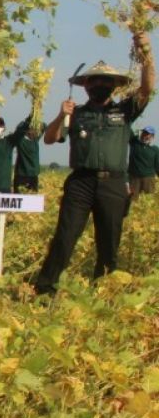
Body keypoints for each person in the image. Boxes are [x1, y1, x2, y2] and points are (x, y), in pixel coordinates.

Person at [33, 30, 155, 295]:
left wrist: (146, 53)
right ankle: (44, 289)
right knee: (65, 236)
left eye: (105, 81)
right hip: (81, 182)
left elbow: (147, 88)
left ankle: (103, 292)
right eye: (94, 81)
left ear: (114, 86)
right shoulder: (76, 113)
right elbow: (50, 139)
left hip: (113, 183)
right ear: (85, 86)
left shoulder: (124, 110)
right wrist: (60, 115)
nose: (99, 84)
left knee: (109, 241)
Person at [12, 116, 44, 193]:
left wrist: (35, 116)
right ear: (28, 131)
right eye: (33, 129)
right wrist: (28, 122)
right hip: (21, 175)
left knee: (32, 198)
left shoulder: (35, 140)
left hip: (33, 176)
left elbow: (44, 126)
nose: (36, 131)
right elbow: (19, 131)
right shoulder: (21, 141)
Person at [129, 126, 158, 199]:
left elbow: (157, 165)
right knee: (132, 200)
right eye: (144, 133)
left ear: (152, 136)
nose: (144, 135)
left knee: (149, 200)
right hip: (134, 178)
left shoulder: (155, 149)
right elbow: (128, 131)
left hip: (148, 179)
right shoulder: (134, 143)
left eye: (147, 134)